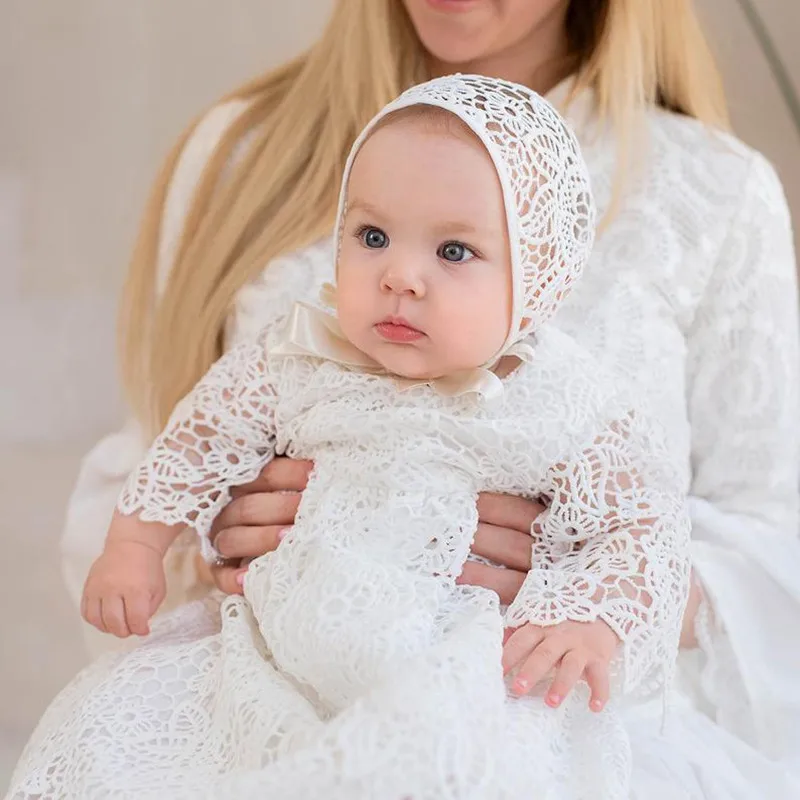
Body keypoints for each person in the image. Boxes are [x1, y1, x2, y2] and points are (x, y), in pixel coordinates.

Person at [59, 0, 798, 792]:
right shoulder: (245, 151)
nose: (402, 278)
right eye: (369, 237)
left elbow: (767, 540)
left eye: (455, 250)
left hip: (528, 723)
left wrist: (578, 586)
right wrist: (200, 541)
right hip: (259, 702)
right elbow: (168, 451)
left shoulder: (711, 194)